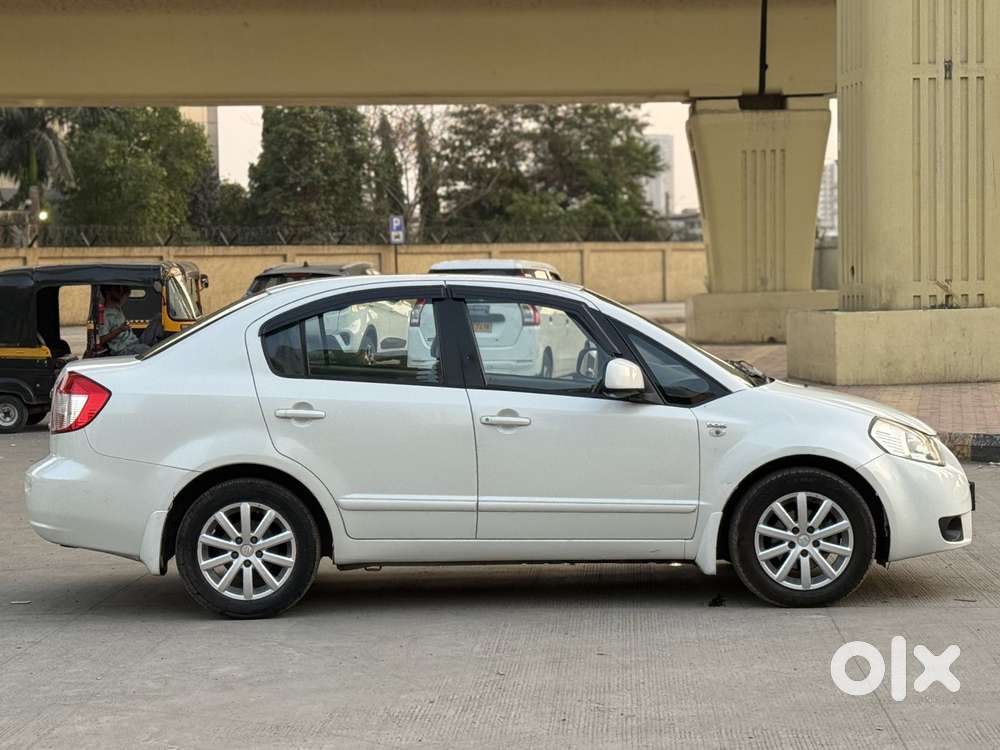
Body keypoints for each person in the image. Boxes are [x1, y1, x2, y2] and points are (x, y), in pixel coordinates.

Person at [96, 285, 158, 355]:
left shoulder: (117, 307)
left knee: (158, 318)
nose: (120, 292)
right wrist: (119, 330)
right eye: (117, 290)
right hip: (123, 349)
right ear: (108, 293)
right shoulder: (105, 315)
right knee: (151, 352)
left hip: (136, 342)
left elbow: (127, 292)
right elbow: (101, 340)